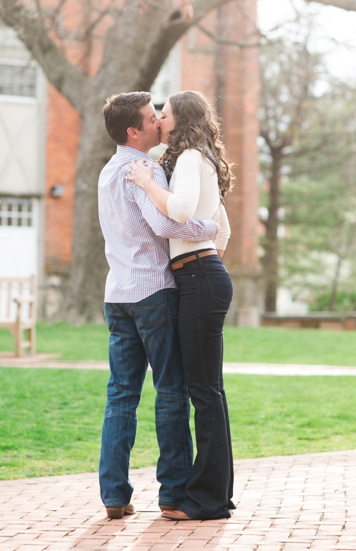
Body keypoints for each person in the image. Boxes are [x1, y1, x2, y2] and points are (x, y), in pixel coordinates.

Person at [97, 91, 219, 519]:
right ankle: (172, 494)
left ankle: (114, 496)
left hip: (117, 295)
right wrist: (209, 225)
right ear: (134, 131)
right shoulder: (143, 167)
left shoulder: (107, 172)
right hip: (153, 291)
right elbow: (166, 221)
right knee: (170, 391)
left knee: (121, 395)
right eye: (151, 119)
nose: (158, 124)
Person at [126, 90, 235, 521]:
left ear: (180, 119)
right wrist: (204, 262)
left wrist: (146, 182)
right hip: (202, 274)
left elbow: (182, 208)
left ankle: (206, 501)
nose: (159, 120)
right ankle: (214, 494)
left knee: (204, 391)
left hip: (197, 277)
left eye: (164, 114)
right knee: (208, 390)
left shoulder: (190, 157)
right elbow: (221, 230)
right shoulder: (201, 157)